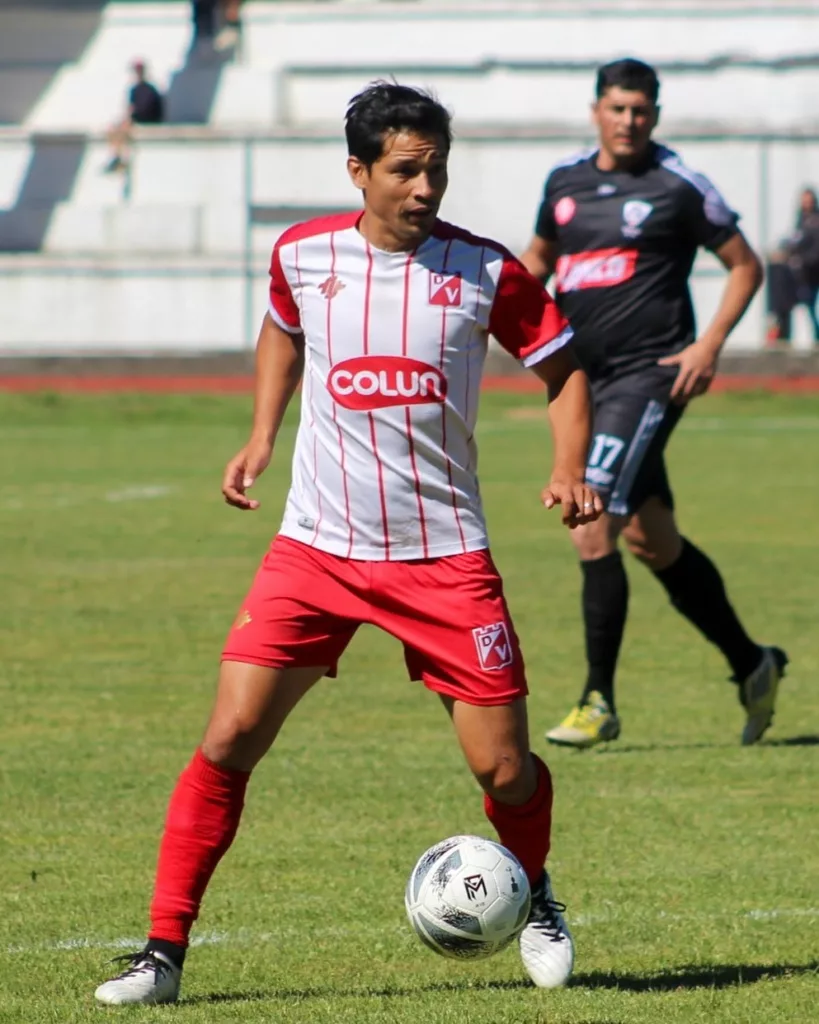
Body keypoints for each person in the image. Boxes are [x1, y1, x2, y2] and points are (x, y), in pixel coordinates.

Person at [94, 81, 603, 1006]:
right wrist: (261, 435)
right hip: (316, 552)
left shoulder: (484, 271)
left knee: (503, 768)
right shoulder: (304, 253)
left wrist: (571, 468)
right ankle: (161, 954)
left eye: (435, 169)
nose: (423, 187)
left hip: (444, 556)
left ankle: (534, 901)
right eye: (404, 170)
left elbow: (565, 369)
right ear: (358, 171)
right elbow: (281, 333)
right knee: (229, 736)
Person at [520, 58, 787, 750]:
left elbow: (745, 264)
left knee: (590, 516)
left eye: (640, 109)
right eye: (617, 108)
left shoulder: (677, 186)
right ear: (596, 111)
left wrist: (708, 345)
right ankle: (751, 663)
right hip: (585, 379)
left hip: (648, 374)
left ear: (655, 115)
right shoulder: (564, 182)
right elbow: (536, 263)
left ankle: (596, 701)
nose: (628, 120)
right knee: (649, 539)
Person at [766, 187, 819, 343]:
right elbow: (794, 242)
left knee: (810, 306)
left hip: (812, 273)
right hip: (797, 274)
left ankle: (816, 338)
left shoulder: (815, 222)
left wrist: (800, 259)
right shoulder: (801, 220)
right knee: (787, 305)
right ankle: (782, 335)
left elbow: (814, 250)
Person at [103, 60, 164, 174]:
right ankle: (117, 156)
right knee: (114, 128)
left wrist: (130, 118)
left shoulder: (150, 89)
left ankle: (119, 158)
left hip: (148, 121)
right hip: (136, 120)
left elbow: (148, 109)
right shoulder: (134, 89)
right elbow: (131, 108)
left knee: (124, 129)